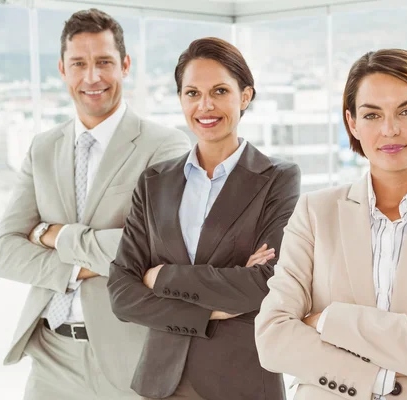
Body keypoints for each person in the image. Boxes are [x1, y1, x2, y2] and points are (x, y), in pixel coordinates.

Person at [255, 48, 407, 400]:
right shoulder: (314, 212)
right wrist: (396, 359)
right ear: (352, 122)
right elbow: (273, 339)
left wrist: (326, 320)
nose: (390, 129)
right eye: (372, 115)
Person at [0, 8, 190, 400]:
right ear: (62, 70)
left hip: (129, 355)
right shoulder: (43, 148)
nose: (92, 77)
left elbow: (152, 249)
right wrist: (81, 267)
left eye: (104, 63)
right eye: (79, 64)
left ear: (125, 66)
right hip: (50, 355)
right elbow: (4, 252)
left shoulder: (164, 146)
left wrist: (53, 235)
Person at [107, 37, 301, 400]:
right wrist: (213, 309)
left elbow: (266, 284)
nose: (205, 105)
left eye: (220, 91)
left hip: (241, 381)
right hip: (161, 382)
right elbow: (121, 293)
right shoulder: (154, 182)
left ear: (245, 97)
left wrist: (161, 275)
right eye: (192, 93)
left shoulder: (277, 178)